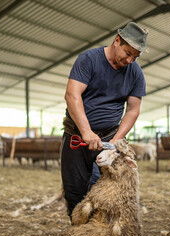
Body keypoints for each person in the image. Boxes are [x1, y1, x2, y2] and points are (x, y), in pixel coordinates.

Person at [60, 22, 148, 218]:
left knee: (107, 188)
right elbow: (72, 96)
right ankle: (79, 231)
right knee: (75, 190)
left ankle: (101, 232)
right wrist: (86, 131)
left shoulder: (135, 73)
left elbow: (133, 110)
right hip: (78, 136)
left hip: (109, 137)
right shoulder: (89, 59)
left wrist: (117, 140)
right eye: (128, 53)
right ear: (117, 41)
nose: (131, 60)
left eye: (136, 56)